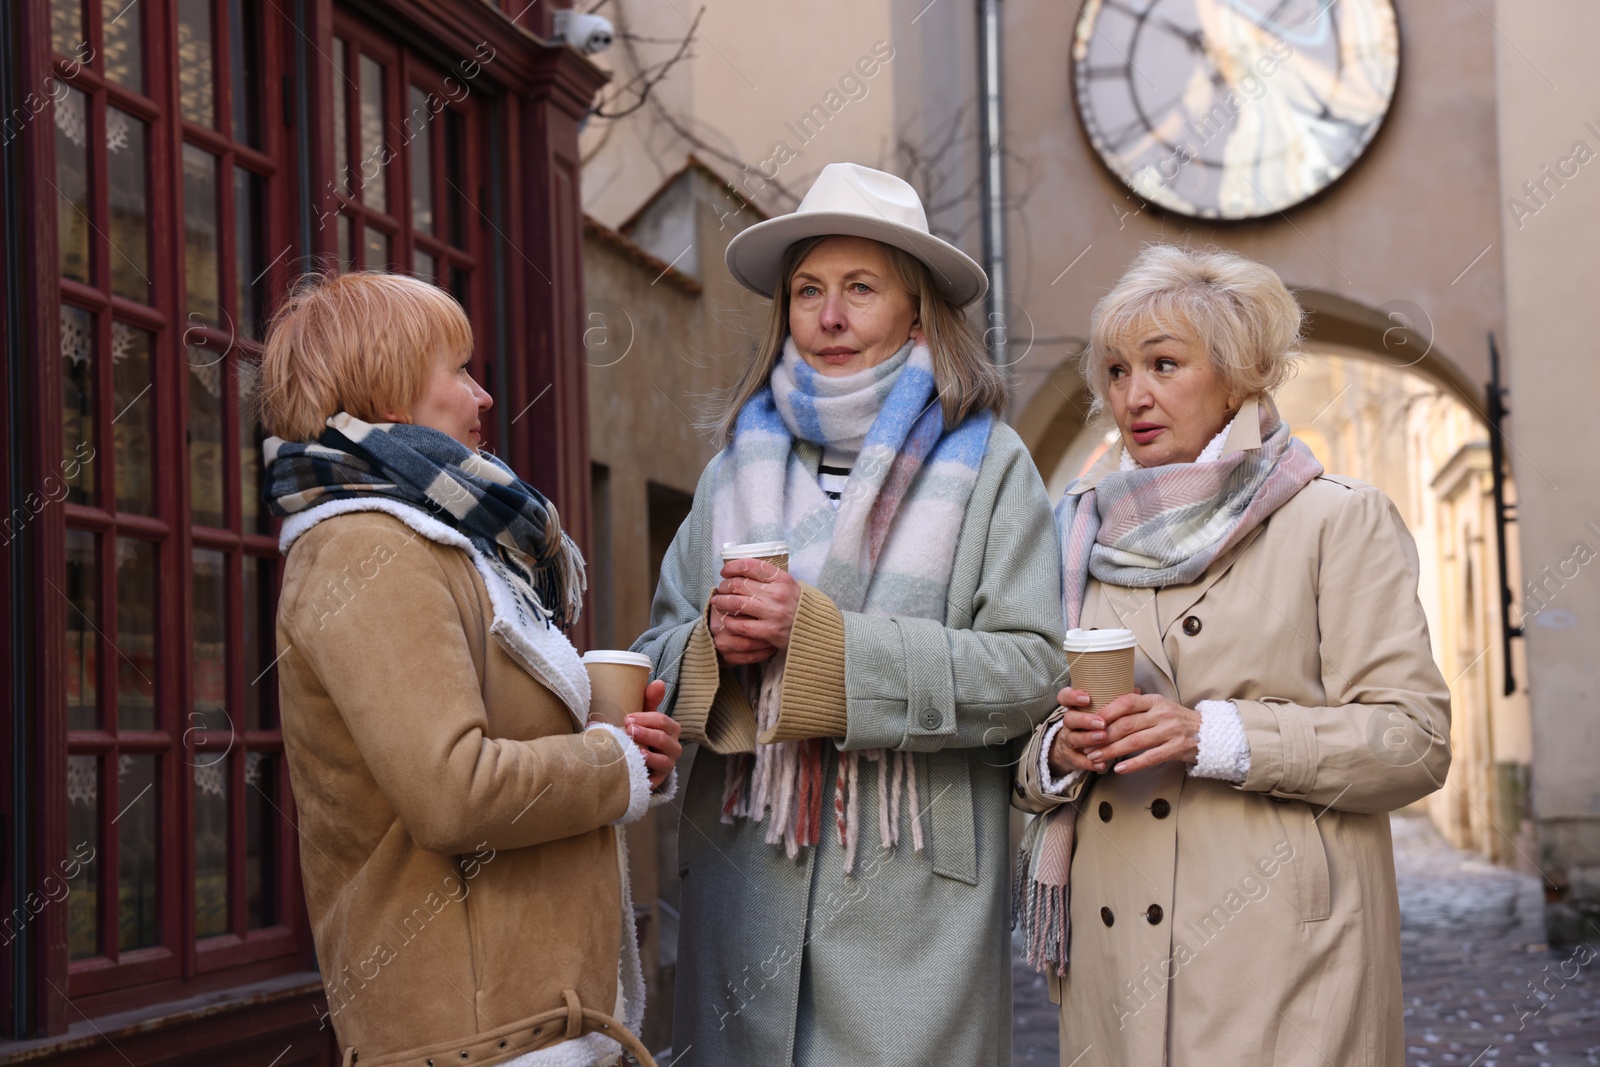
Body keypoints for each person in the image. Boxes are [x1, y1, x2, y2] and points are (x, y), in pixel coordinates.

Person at [634, 163, 1064, 1065]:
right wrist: (712, 647)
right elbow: (655, 663)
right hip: (742, 898)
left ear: (916, 313)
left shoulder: (992, 465)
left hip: (913, 916)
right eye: (808, 291)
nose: (828, 317)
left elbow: (1031, 673)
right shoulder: (729, 474)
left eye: (859, 290)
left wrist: (822, 642)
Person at [1013, 244, 1452, 1066]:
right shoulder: (1073, 534)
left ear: (1241, 375)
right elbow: (1022, 740)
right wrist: (1056, 753)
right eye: (1115, 370)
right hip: (1113, 966)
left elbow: (1414, 742)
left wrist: (1210, 734)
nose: (1132, 395)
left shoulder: (1336, 520)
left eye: (1164, 364)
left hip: (1285, 954)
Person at [259, 271, 680, 1067]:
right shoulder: (369, 547)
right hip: (477, 1041)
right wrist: (609, 760)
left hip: (532, 1024)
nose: (483, 394)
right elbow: (454, 792)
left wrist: (626, 745)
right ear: (387, 393)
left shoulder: (449, 542)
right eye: (457, 370)